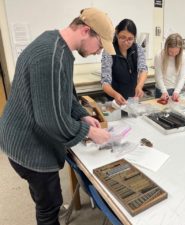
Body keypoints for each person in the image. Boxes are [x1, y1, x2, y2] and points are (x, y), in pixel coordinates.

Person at [0, 8, 115, 225]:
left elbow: (63, 94)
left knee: (46, 199)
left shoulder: (57, 47)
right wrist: (90, 132)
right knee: (49, 207)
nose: (99, 52)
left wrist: (82, 116)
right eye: (100, 45)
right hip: (28, 146)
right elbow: (50, 121)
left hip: (25, 136)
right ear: (85, 30)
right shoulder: (51, 56)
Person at [101, 19, 148, 105]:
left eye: (130, 39)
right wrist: (115, 95)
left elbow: (143, 69)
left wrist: (139, 86)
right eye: (122, 37)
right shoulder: (109, 50)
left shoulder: (137, 49)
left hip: (132, 99)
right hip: (114, 101)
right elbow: (105, 82)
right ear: (117, 34)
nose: (126, 42)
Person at [154, 33, 185, 101]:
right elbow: (158, 76)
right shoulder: (159, 56)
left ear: (180, 50)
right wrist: (164, 91)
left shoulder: (183, 56)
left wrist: (177, 91)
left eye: (176, 52)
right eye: (171, 52)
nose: (174, 54)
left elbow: (182, 76)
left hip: (176, 90)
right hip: (161, 90)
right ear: (166, 48)